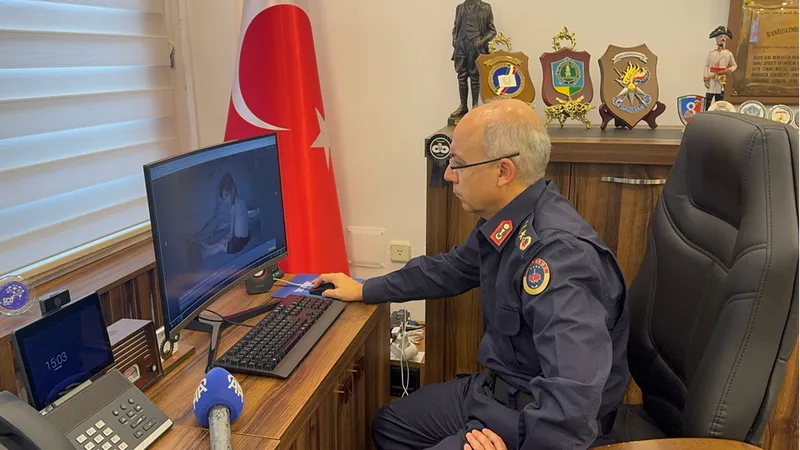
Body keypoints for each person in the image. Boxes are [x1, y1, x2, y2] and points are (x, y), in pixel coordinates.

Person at [312, 99, 630, 449]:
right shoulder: (508, 220)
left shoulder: (560, 257)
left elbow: (573, 403)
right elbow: (449, 270)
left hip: (530, 420)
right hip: (494, 392)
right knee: (389, 425)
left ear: (503, 171)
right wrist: (364, 288)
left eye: (458, 164)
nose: (448, 174)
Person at [450, 0, 497, 119]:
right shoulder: (459, 8)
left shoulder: (485, 7)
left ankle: (475, 105)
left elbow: (492, 31)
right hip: (461, 46)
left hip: (475, 47)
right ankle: (463, 106)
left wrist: (481, 41)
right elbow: (455, 28)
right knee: (461, 76)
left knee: (475, 76)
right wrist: (455, 41)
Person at [200, 172, 250, 259]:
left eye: (227, 195)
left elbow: (231, 233)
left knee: (221, 246)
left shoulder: (234, 208)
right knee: (223, 241)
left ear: (233, 189)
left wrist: (227, 239)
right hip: (245, 238)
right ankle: (208, 247)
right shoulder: (241, 201)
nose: (226, 201)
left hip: (238, 244)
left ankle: (205, 254)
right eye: (224, 199)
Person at [703, 25, 737, 110]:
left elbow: (734, 65)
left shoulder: (728, 54)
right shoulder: (711, 54)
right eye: (721, 36)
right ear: (716, 38)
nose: (723, 38)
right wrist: (706, 76)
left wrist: (728, 70)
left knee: (719, 95)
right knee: (709, 94)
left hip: (721, 77)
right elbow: (706, 65)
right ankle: (706, 111)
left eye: (724, 37)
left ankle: (718, 111)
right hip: (712, 76)